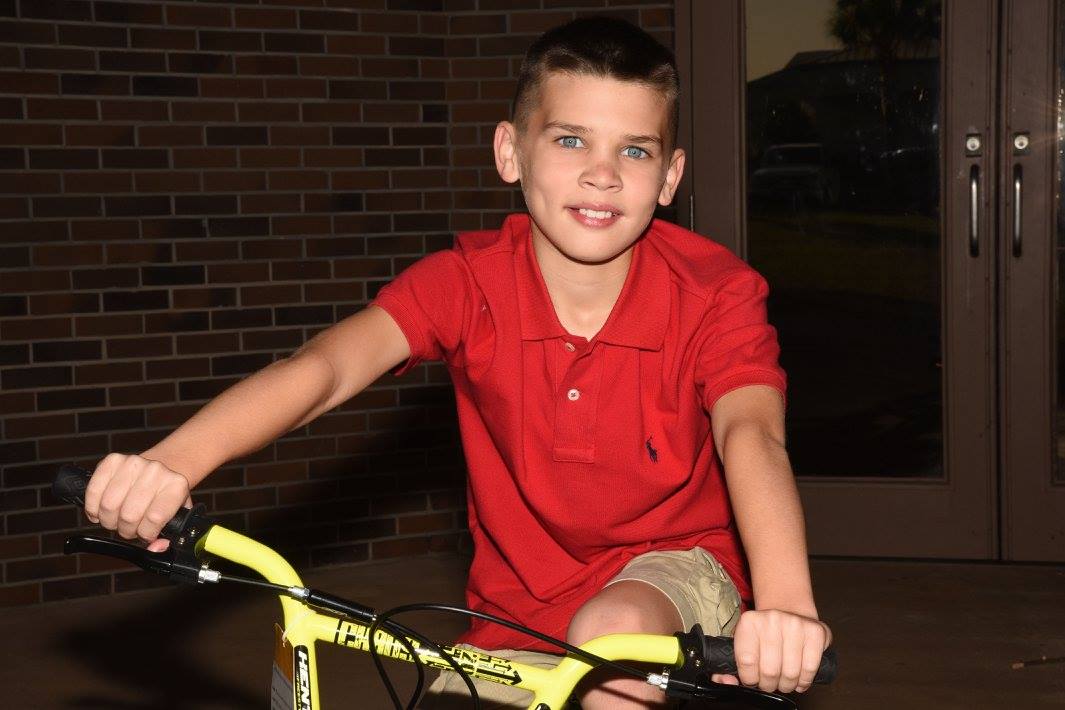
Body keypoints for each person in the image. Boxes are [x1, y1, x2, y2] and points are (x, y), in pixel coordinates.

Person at [83, 17, 831, 709]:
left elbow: (751, 435)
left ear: (668, 178)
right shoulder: (465, 283)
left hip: (673, 565)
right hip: (513, 598)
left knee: (608, 650)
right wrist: (172, 464)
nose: (602, 174)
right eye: (570, 140)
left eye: (633, 150)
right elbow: (326, 369)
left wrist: (786, 604)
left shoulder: (715, 294)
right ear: (510, 151)